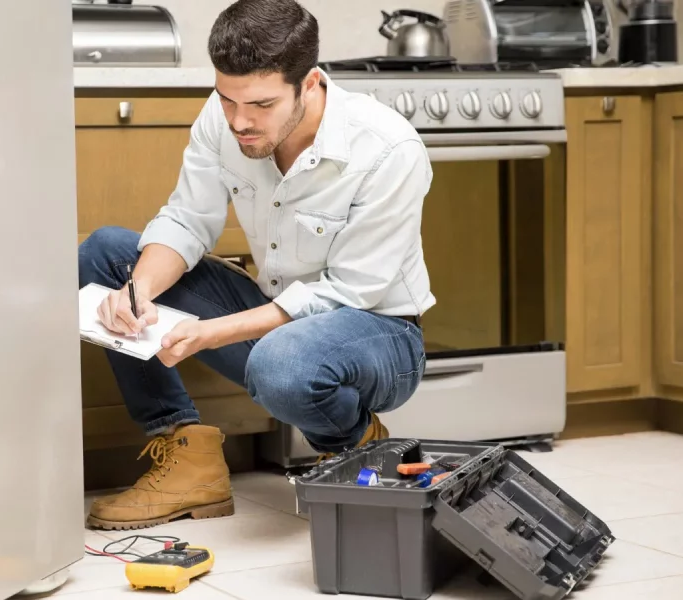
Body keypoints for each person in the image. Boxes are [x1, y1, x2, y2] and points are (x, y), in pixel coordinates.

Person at [78, 0, 434, 531]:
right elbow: (187, 219)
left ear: (309, 84)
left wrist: (211, 333)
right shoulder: (224, 118)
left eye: (262, 105)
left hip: (379, 333)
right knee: (107, 253)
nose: (240, 122)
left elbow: (346, 293)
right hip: (276, 315)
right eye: (228, 100)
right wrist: (138, 290)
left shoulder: (388, 149)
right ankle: (186, 455)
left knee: (280, 364)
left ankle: (355, 445)